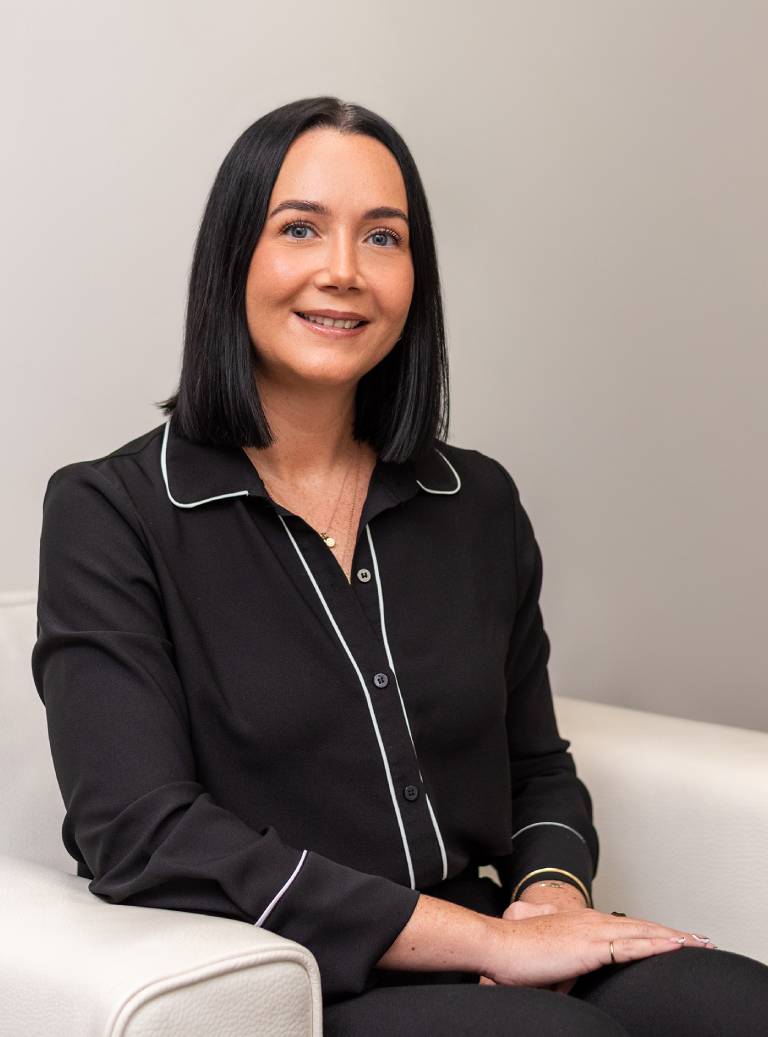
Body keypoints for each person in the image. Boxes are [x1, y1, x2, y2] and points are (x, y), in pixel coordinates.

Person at [32, 96, 767, 1035]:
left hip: (497, 940)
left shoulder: (477, 500)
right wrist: (485, 940)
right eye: (300, 228)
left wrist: (548, 900)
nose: (344, 270)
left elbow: (537, 766)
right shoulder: (110, 512)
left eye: (383, 237)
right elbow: (139, 829)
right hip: (306, 979)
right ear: (233, 259)